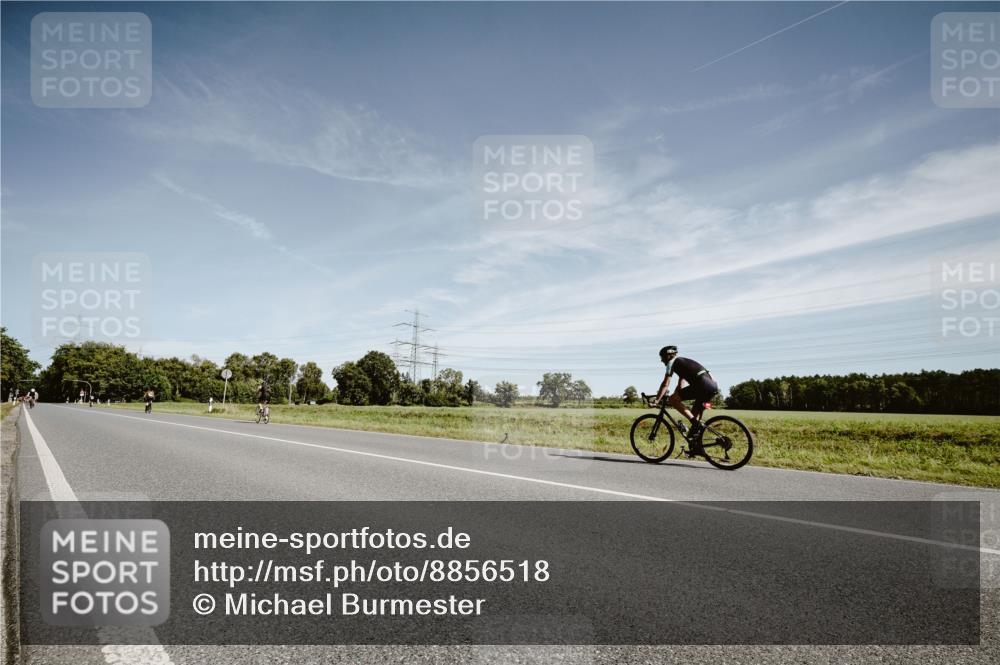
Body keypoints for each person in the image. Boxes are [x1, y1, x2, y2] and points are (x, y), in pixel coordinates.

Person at [651, 345, 718, 441]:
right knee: (695, 421)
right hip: (712, 386)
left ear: (668, 356)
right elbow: (681, 383)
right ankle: (696, 447)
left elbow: (665, 384)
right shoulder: (683, 362)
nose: (662, 360)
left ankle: (695, 424)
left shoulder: (672, 362)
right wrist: (675, 397)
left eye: (662, 357)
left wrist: (657, 400)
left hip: (702, 386)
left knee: (674, 401)